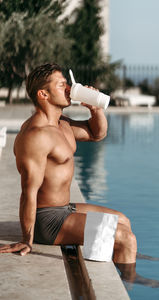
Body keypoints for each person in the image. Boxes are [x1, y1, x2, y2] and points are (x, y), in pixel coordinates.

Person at [0, 63, 137, 264]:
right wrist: (26, 240)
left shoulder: (62, 123)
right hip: (47, 221)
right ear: (43, 94)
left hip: (64, 209)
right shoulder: (36, 136)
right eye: (61, 85)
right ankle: (131, 281)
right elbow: (28, 191)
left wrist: (95, 109)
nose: (69, 89)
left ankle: (125, 269)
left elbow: (97, 134)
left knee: (124, 221)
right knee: (125, 238)